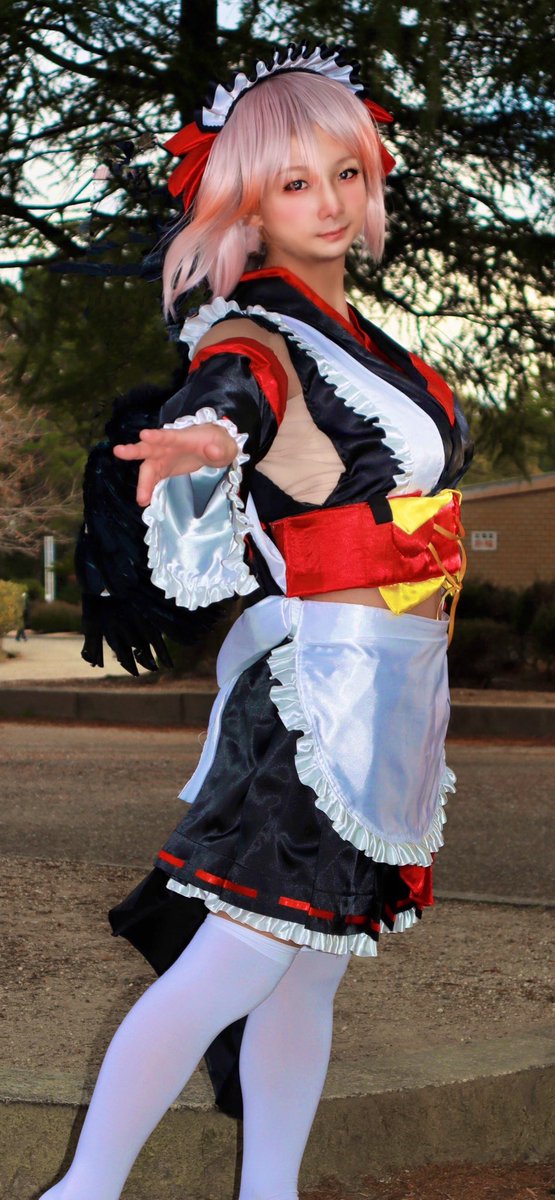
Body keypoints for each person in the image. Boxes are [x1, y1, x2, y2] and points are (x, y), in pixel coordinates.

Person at [41, 42, 472, 1200]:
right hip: (317, 690)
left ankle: (268, 1191)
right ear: (246, 202)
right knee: (240, 956)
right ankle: (83, 1192)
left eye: (345, 173)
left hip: (391, 685)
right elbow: (235, 397)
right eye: (294, 182)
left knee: (306, 966)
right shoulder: (257, 332)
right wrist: (204, 441)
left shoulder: (364, 339)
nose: (328, 203)